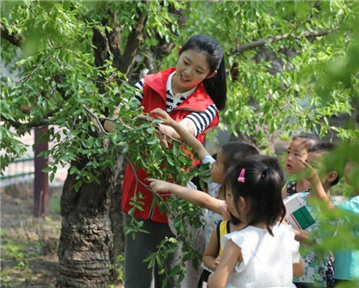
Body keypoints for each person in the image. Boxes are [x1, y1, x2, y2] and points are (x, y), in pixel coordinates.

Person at [104, 34, 227, 288]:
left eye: (198, 70)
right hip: (139, 194)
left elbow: (181, 131)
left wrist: (142, 124)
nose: (188, 72)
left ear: (210, 75)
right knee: (135, 281)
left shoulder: (207, 107)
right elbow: (113, 122)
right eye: (186, 62)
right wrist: (142, 126)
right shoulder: (147, 84)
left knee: (171, 281)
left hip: (178, 206)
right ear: (179, 53)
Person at [148, 108, 258, 287]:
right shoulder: (217, 183)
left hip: (234, 272)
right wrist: (172, 123)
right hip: (209, 260)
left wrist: (170, 187)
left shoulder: (235, 206)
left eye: (218, 162)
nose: (212, 163)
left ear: (229, 173)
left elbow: (204, 200)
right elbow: (197, 147)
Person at [207, 160, 304, 288]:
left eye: (229, 194)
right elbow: (298, 270)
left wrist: (212, 277)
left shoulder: (238, 241)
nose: (226, 199)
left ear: (242, 203)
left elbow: (216, 285)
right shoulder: (285, 233)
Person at [298, 146, 359, 287]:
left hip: (351, 274)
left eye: (354, 164)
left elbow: (331, 213)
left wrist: (316, 182)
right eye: (348, 162)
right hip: (343, 272)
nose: (347, 168)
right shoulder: (352, 198)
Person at [290, 143, 340, 288]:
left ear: (331, 176)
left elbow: (316, 241)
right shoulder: (295, 199)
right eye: (307, 163)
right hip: (287, 274)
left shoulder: (333, 210)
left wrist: (286, 229)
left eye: (314, 166)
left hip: (314, 280)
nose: (307, 169)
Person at [283, 133, 320, 199]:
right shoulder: (290, 186)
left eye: (296, 154)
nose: (289, 158)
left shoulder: (317, 189)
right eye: (288, 152)